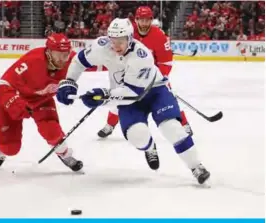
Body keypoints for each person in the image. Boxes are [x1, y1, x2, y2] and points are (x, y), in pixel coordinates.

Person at [57, 18, 210, 184]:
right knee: (138, 136)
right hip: (127, 97)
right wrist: (70, 81)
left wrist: (103, 96)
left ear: (130, 38)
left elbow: (132, 93)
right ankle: (150, 147)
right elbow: (79, 61)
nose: (115, 46)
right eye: (112, 40)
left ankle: (196, 166)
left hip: (155, 92)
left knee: (171, 128)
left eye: (120, 41)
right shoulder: (101, 46)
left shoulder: (141, 56)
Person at [97, 6, 193, 139]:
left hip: (153, 75)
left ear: (151, 20)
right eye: (141, 20)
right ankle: (109, 125)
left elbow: (166, 62)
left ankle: (184, 124)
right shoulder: (129, 32)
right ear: (136, 20)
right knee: (119, 98)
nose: (144, 23)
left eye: (147, 20)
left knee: (170, 97)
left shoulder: (159, 35)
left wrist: (156, 78)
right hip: (129, 73)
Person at [0, 33, 83, 172]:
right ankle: (2, 151)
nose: (63, 59)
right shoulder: (32, 60)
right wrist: (16, 104)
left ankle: (65, 154)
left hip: (42, 100)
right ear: (48, 51)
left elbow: (97, 61)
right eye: (59, 54)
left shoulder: (72, 60)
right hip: (16, 97)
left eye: (66, 54)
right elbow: (3, 84)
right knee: (10, 148)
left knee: (52, 131)